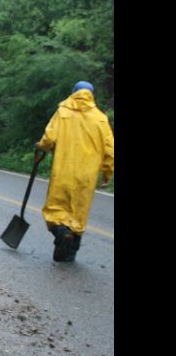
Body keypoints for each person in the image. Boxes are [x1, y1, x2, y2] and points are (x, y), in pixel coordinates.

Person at [36, 81, 114, 262]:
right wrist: (107, 173)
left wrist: (41, 147)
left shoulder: (62, 113)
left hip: (63, 170)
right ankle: (70, 251)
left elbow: (48, 139)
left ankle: (61, 231)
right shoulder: (101, 118)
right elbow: (110, 150)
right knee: (78, 212)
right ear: (92, 95)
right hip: (87, 175)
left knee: (56, 208)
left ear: (73, 93)